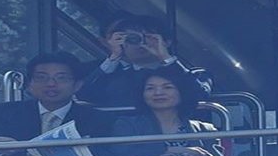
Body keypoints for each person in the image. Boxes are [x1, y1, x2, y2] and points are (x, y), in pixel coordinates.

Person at [110, 72, 260, 156]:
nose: (158, 93)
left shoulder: (205, 129)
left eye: (167, 87)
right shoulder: (127, 124)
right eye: (150, 88)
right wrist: (170, 151)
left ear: (182, 92)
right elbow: (122, 155)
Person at [77, 14, 211, 112]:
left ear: (167, 41)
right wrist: (114, 56)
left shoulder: (195, 75)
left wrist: (165, 57)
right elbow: (84, 95)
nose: (141, 44)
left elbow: (199, 94)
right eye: (132, 39)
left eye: (149, 37)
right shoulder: (114, 79)